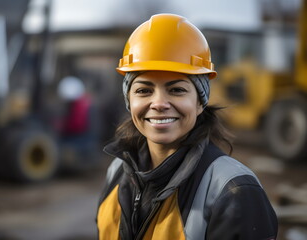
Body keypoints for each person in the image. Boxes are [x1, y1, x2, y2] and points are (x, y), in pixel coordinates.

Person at [96, 13, 278, 240]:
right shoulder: (117, 171)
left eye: (177, 90)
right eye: (144, 90)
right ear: (129, 100)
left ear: (200, 101)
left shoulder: (234, 190)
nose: (159, 103)